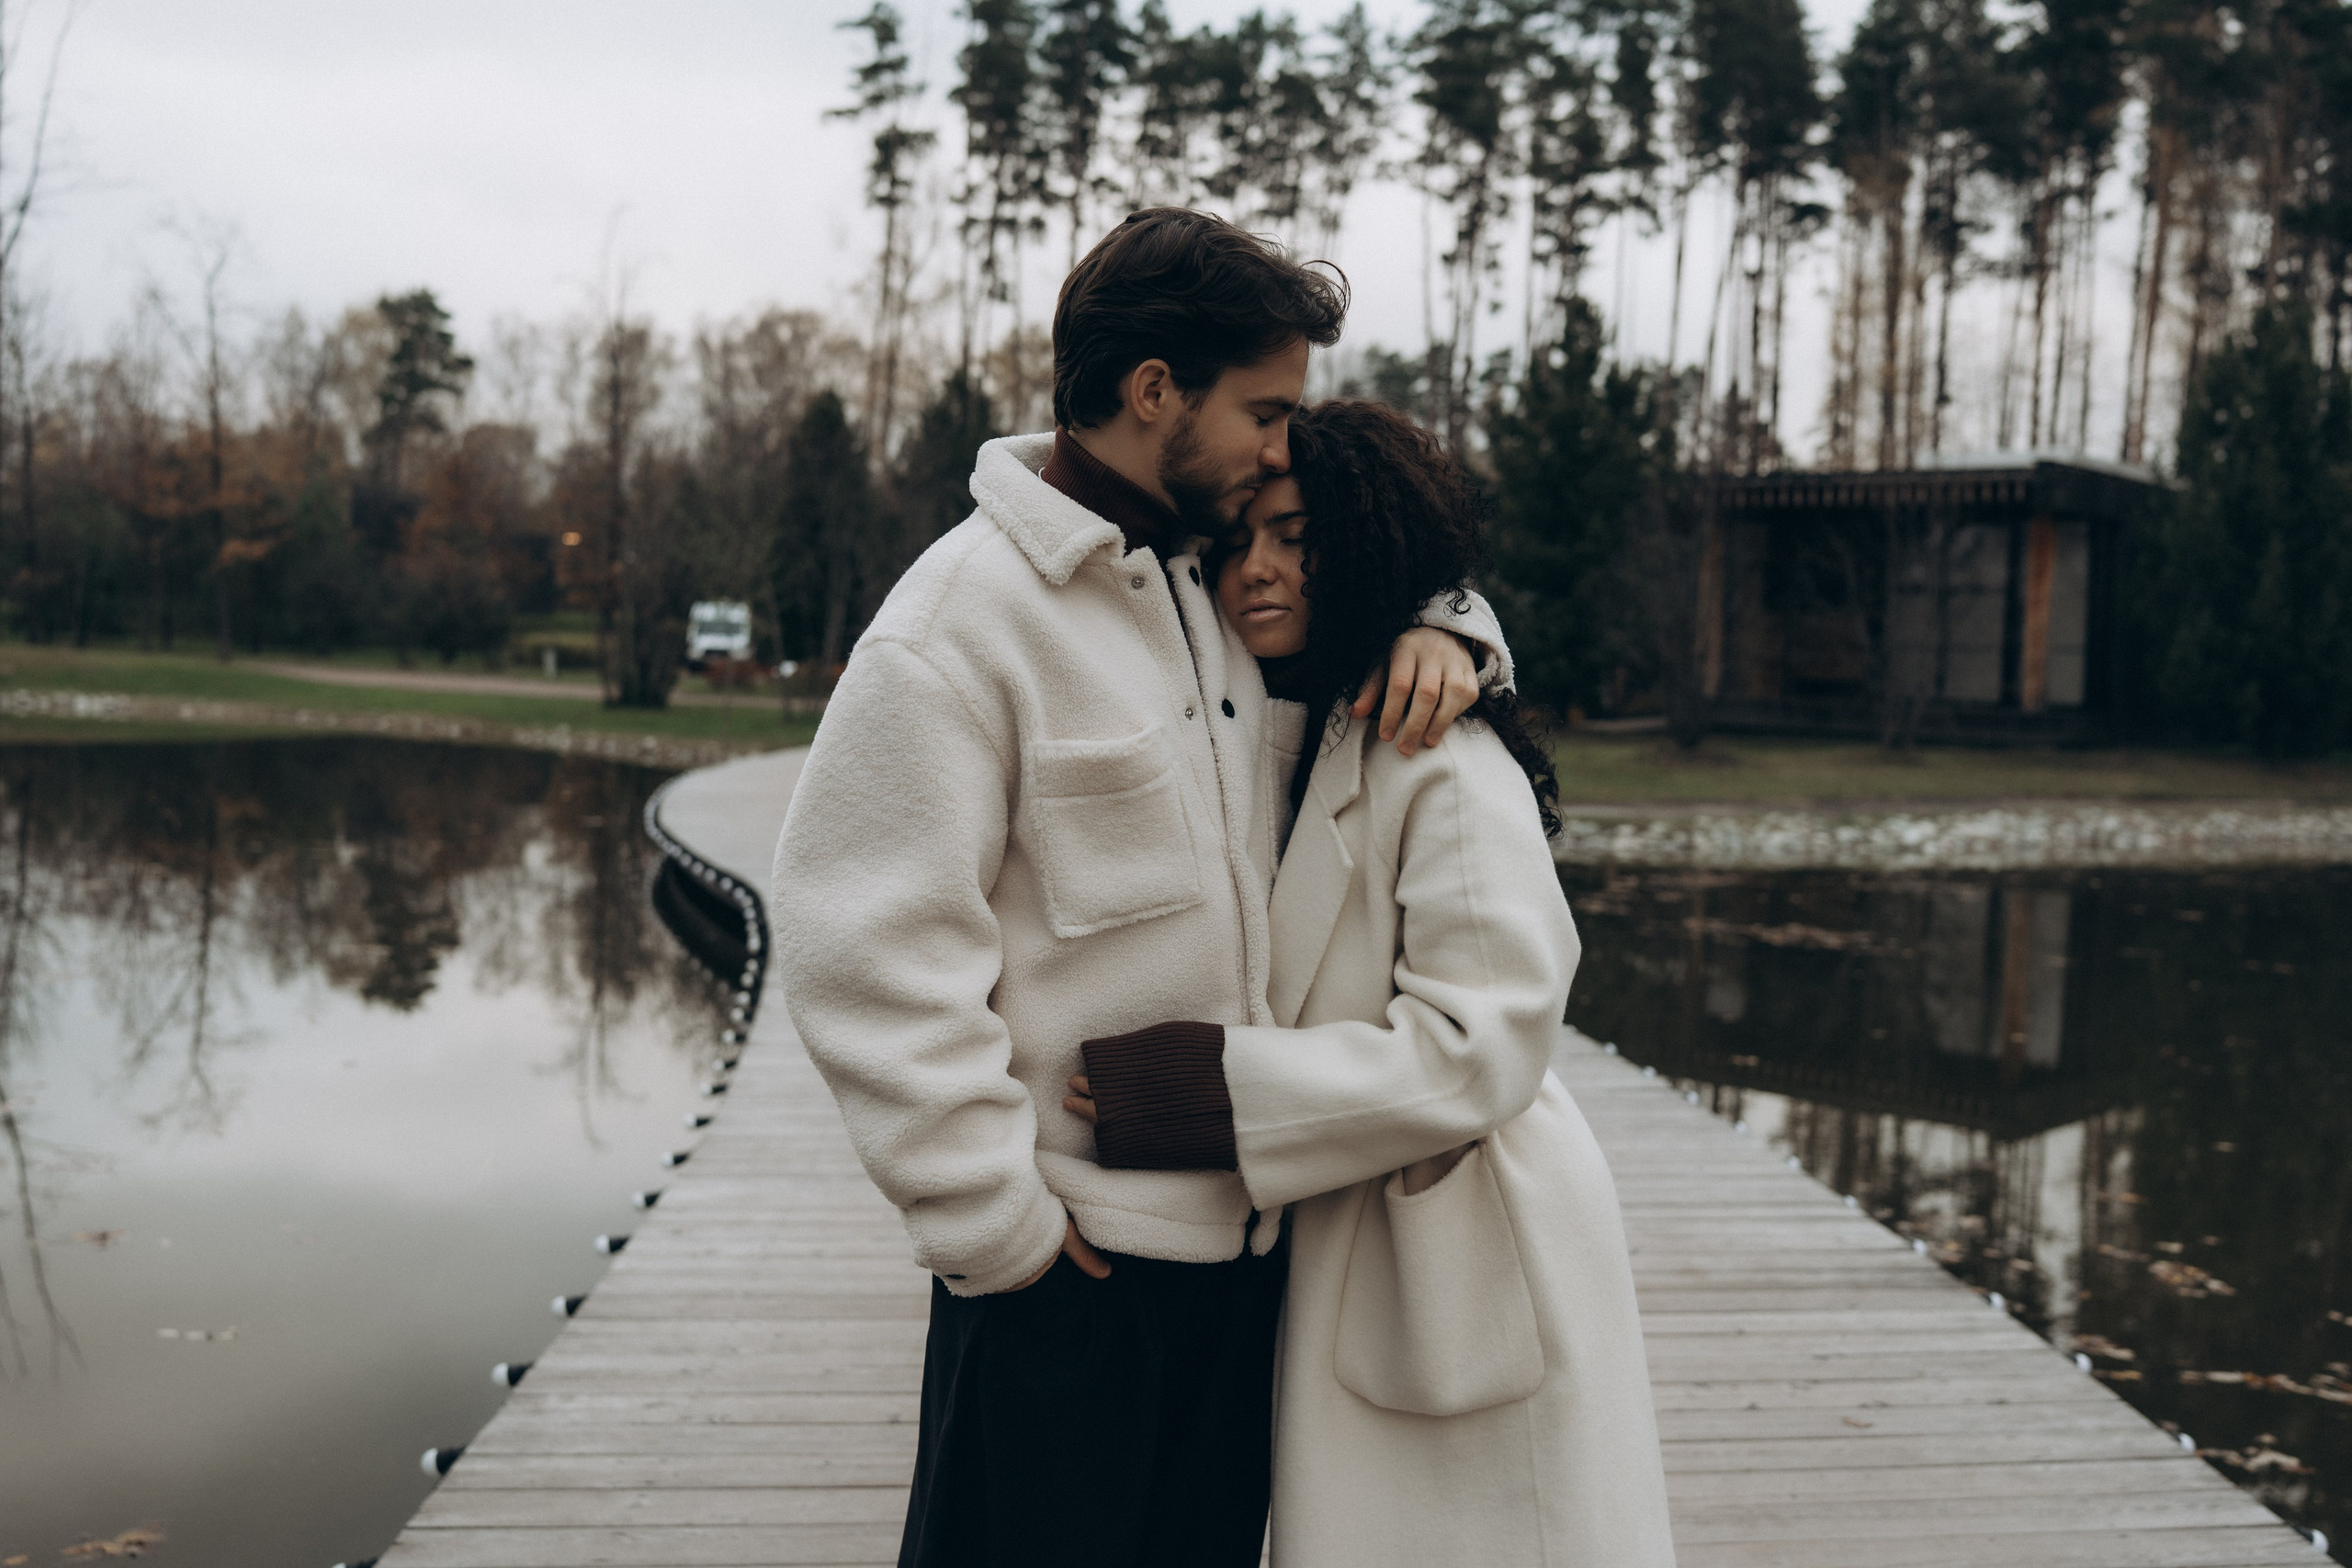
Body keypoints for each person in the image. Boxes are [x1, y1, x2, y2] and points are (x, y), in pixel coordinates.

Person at [768, 212, 1517, 1568]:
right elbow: (859, 948)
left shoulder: (1213, 588)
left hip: (1247, 1289)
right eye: (1266, 410)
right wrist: (1001, 1233)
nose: (1283, 447)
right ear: (1154, 387)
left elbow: (1366, 596)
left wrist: (1451, 626)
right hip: (1069, 1282)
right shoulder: (958, 627)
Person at [1071, 400, 1678, 1567]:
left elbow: (1485, 1040)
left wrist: (1216, 1096)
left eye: (1297, 538)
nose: (1256, 571)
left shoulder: (1439, 750)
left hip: (1466, 1240)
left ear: (1369, 543)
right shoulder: (1272, 726)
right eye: (1235, 542)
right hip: (1333, 1240)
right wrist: (1458, 623)